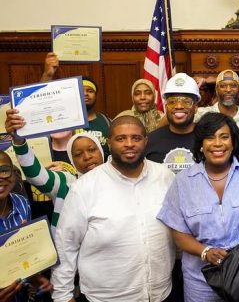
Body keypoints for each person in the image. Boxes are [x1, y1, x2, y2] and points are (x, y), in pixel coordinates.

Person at [157, 112, 239, 302]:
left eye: (224, 137)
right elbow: (178, 233)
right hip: (200, 282)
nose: (217, 144)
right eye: (210, 138)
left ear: (233, 142)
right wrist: (205, 251)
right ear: (201, 144)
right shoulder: (183, 181)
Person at [51, 116, 175, 302]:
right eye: (120, 138)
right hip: (105, 297)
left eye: (136, 138)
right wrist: (62, 295)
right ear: (109, 143)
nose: (129, 144)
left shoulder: (165, 176)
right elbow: (65, 244)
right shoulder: (85, 187)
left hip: (160, 293)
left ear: (146, 141)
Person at [6, 107, 104, 230]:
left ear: (101, 151)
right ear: (72, 159)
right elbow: (36, 175)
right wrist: (19, 141)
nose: (87, 157)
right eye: (78, 154)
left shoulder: (118, 180)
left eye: (92, 150)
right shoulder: (67, 183)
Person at [0, 151, 52, 302]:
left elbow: (24, 252)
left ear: (14, 172)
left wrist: (35, 276)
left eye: (4, 170)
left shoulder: (22, 203)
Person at [194, 70, 239, 154]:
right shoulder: (199, 115)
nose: (228, 90)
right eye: (223, 86)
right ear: (216, 90)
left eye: (233, 86)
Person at [146, 73, 200, 174]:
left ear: (196, 107)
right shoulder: (150, 140)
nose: (179, 106)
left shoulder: (208, 138)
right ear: (166, 107)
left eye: (186, 101)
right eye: (172, 102)